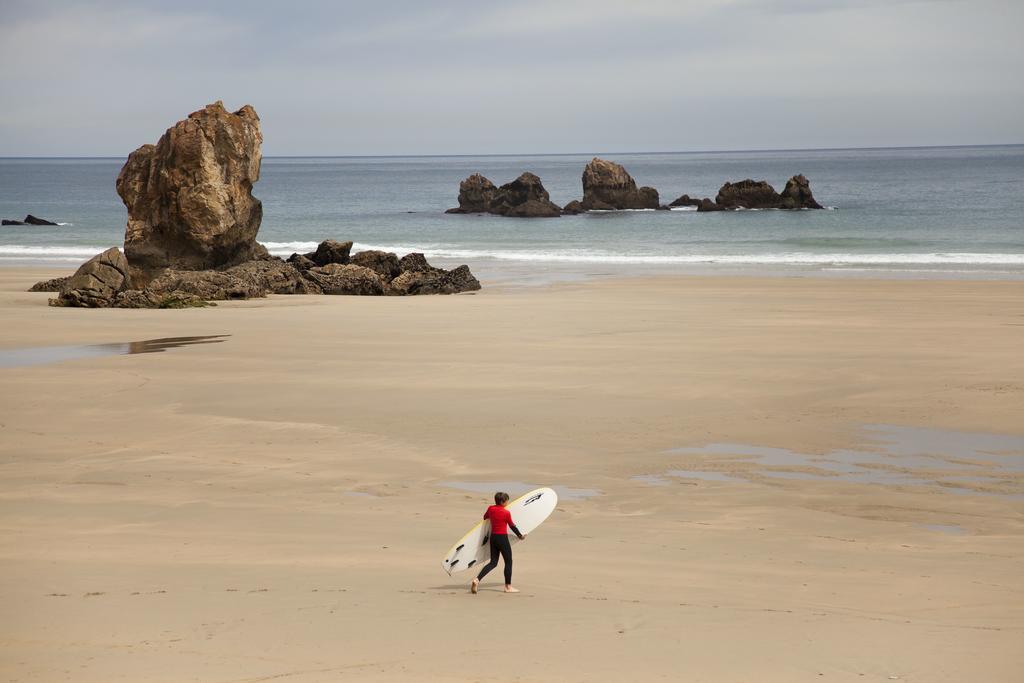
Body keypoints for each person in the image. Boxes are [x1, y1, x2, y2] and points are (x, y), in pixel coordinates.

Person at [471, 491, 526, 594]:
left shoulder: (491, 509)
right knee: (508, 562)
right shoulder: (506, 513)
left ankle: (477, 580)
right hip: (502, 539)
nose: (507, 503)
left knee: (493, 562)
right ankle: (508, 587)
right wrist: (520, 536)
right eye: (506, 501)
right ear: (502, 501)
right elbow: (512, 526)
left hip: (493, 538)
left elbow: (485, 517)